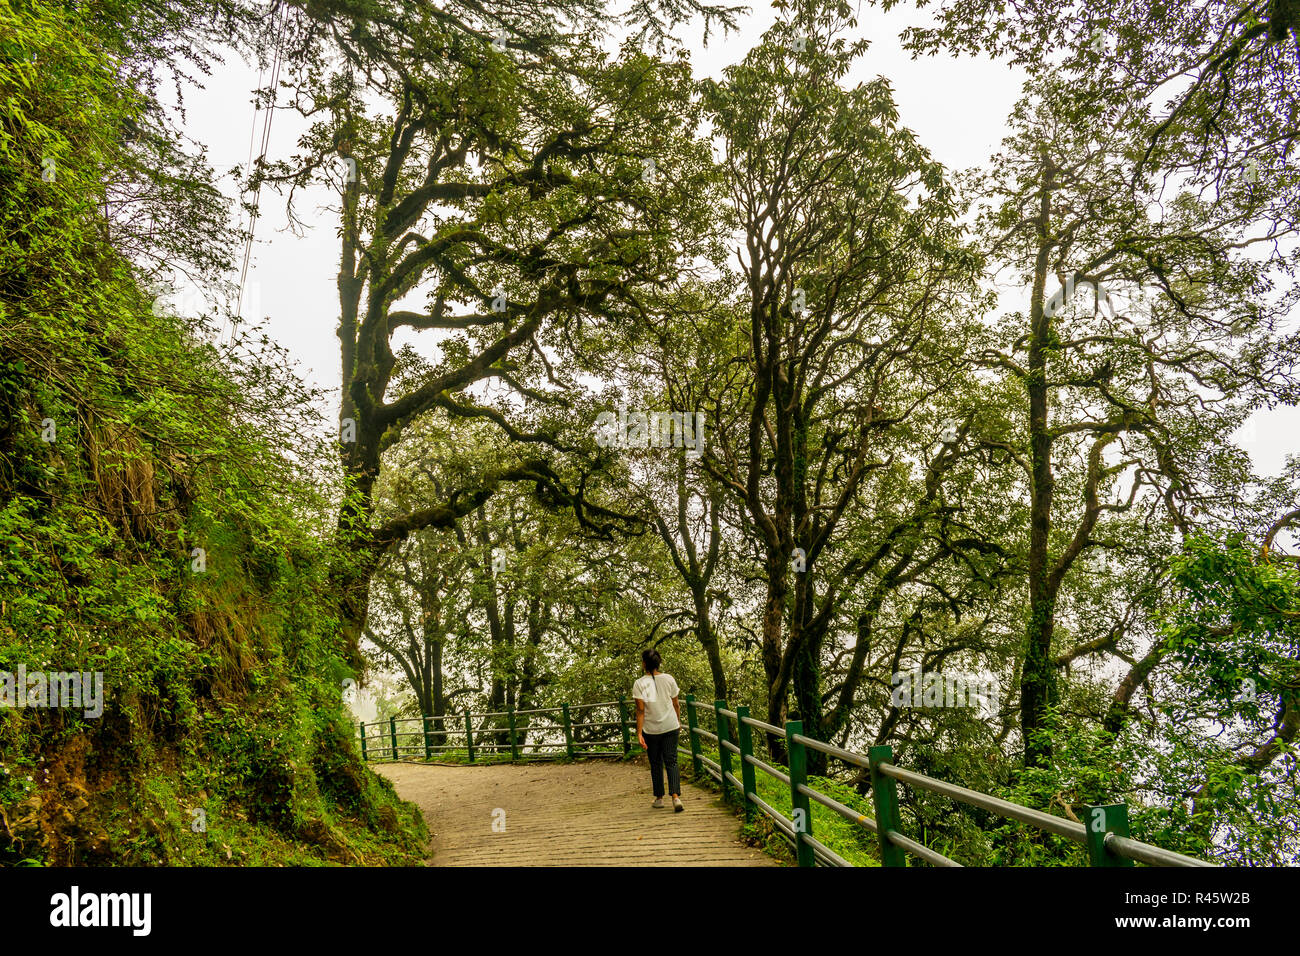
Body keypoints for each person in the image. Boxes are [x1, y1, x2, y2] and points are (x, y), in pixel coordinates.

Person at [632, 649, 684, 811]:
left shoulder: (639, 683)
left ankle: (659, 798)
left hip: (651, 730)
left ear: (644, 664)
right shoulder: (669, 679)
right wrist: (678, 721)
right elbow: (676, 703)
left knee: (655, 763)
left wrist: (639, 733)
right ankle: (675, 798)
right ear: (658, 663)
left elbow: (640, 710)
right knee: (672, 760)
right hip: (670, 726)